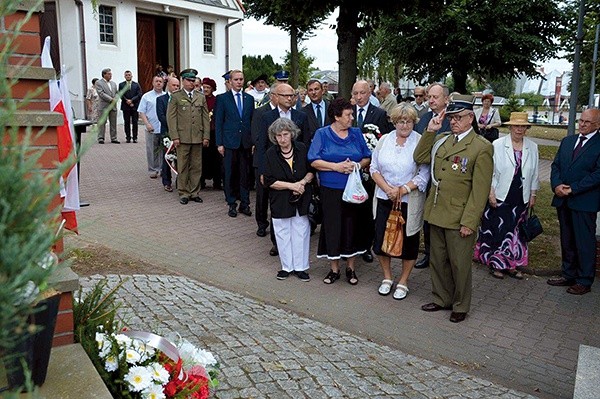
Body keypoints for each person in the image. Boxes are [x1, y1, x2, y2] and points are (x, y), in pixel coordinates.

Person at [414, 94, 493, 323]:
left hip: (459, 216)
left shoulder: (481, 147)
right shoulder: (443, 139)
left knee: (459, 264)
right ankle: (441, 298)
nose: (453, 122)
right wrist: (430, 131)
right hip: (437, 210)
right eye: (451, 117)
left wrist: (470, 221)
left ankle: (460, 304)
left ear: (470, 117)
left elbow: (479, 191)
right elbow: (419, 156)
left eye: (458, 117)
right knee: (437, 260)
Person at [308, 97, 372, 285]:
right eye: (348, 115)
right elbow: (313, 159)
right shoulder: (322, 134)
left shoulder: (356, 133)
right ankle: (334, 268)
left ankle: (351, 268)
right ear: (336, 117)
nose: (351, 117)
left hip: (353, 189)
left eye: (351, 114)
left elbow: (367, 157)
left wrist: (356, 166)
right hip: (331, 189)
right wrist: (335, 167)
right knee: (333, 226)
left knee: (351, 226)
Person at [371, 103, 429, 300]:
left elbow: (424, 174)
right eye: (401, 121)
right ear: (394, 122)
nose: (405, 126)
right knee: (381, 240)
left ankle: (403, 281)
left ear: (414, 122)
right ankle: (387, 277)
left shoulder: (420, 141)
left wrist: (402, 189)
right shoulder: (385, 140)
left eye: (409, 121)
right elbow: (373, 168)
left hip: (408, 200)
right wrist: (387, 189)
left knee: (409, 242)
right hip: (384, 197)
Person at [474, 112, 539, 279]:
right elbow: (490, 172)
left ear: (527, 128)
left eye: (522, 126)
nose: (519, 129)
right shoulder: (497, 144)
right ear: (510, 127)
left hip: (520, 196)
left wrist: (533, 194)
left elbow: (535, 173)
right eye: (516, 126)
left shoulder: (532, 147)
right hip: (501, 193)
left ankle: (511, 265)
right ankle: (496, 264)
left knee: (516, 233)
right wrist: (490, 192)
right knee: (499, 229)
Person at [547, 108, 600, 295]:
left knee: (584, 241)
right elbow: (555, 166)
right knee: (567, 238)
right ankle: (568, 274)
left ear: (597, 125)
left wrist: (573, 188)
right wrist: (557, 185)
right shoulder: (568, 141)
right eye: (581, 121)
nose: (582, 125)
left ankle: (584, 280)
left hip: (584, 201)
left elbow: (597, 174)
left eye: (587, 122)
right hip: (563, 200)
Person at [256, 83, 310, 255]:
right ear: (275, 96)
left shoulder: (301, 116)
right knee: (276, 205)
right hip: (274, 168)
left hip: (296, 169)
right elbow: (261, 145)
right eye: (285, 95)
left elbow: (306, 142)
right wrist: (263, 170)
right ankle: (277, 242)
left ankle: (295, 242)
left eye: (292, 95)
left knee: (295, 205)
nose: (289, 98)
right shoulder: (266, 116)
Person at [263, 118, 315, 281]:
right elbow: (268, 180)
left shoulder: (301, 148)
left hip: (302, 196)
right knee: (282, 231)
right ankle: (286, 267)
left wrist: (302, 183)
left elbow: (311, 171)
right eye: (278, 135)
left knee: (301, 231)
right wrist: (292, 186)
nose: (282, 139)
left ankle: (300, 267)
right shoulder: (271, 153)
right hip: (280, 198)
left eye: (285, 134)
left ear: (292, 134)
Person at [352, 79, 393, 263]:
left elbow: (384, 142)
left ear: (370, 93)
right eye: (356, 94)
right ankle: (351, 243)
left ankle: (366, 246)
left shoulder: (379, 114)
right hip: (350, 169)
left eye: (362, 93)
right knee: (352, 208)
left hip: (370, 172)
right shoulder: (347, 113)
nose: (359, 97)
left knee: (368, 210)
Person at [413, 83, 452, 269]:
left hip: (447, 176)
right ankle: (428, 254)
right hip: (425, 173)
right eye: (429, 96)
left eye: (435, 97)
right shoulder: (425, 118)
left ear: (446, 99)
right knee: (427, 216)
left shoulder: (453, 119)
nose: (431, 100)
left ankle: (444, 255)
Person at [167, 68, 210, 205]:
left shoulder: (200, 96)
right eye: (189, 80)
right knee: (183, 165)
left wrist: (206, 136)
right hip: (182, 137)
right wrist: (174, 136)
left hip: (197, 137)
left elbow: (205, 118)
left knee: (196, 166)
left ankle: (194, 192)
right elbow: (171, 118)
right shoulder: (176, 96)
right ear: (183, 81)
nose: (192, 83)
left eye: (194, 80)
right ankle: (184, 192)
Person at [215, 69, 254, 217]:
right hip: (229, 143)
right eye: (236, 79)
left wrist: (253, 141)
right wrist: (219, 143)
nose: (239, 82)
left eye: (241, 79)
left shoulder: (249, 99)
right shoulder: (222, 98)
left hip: (245, 143)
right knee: (230, 174)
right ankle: (231, 203)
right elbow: (219, 122)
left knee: (245, 174)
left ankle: (245, 203)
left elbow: (251, 121)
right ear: (230, 81)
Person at [252, 83, 279, 240]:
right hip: (263, 159)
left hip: (280, 160)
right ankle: (262, 224)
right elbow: (257, 136)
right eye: (278, 95)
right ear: (271, 95)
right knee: (262, 195)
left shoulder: (286, 113)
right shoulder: (260, 112)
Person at [138, 75, 165, 179]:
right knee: (152, 150)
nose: (158, 83)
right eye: (156, 81)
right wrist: (147, 124)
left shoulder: (166, 96)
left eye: (160, 82)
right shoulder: (146, 96)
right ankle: (153, 170)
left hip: (163, 128)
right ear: (153, 83)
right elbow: (141, 111)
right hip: (151, 127)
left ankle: (162, 169)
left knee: (163, 149)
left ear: (163, 84)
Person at [156, 76, 180, 192]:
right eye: (173, 85)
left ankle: (180, 181)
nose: (176, 88)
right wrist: (174, 125)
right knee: (167, 158)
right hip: (167, 133)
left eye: (177, 86)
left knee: (180, 158)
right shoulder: (161, 100)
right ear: (168, 85)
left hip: (180, 133)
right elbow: (161, 117)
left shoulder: (182, 99)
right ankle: (167, 182)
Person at [200, 77, 222, 190]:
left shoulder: (217, 100)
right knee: (202, 158)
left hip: (213, 132)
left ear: (212, 89)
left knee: (216, 159)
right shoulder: (199, 99)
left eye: (208, 87)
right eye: (204, 87)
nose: (205, 89)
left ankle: (217, 182)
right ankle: (201, 181)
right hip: (202, 132)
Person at [95, 68, 119, 144]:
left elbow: (116, 93)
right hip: (103, 106)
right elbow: (101, 93)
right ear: (104, 74)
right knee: (102, 122)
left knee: (113, 122)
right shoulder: (99, 83)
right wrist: (111, 99)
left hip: (113, 106)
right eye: (109, 74)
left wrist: (115, 98)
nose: (110, 75)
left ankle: (114, 138)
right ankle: (101, 137)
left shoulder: (113, 83)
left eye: (111, 74)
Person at [118, 70, 142, 143]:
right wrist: (127, 101)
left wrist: (132, 100)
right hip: (126, 106)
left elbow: (139, 94)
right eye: (126, 75)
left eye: (129, 75)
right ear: (124, 76)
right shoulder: (121, 85)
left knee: (135, 122)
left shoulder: (136, 84)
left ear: (131, 76)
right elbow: (120, 94)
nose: (128, 76)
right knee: (127, 122)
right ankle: (128, 137)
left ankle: (135, 137)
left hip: (134, 106)